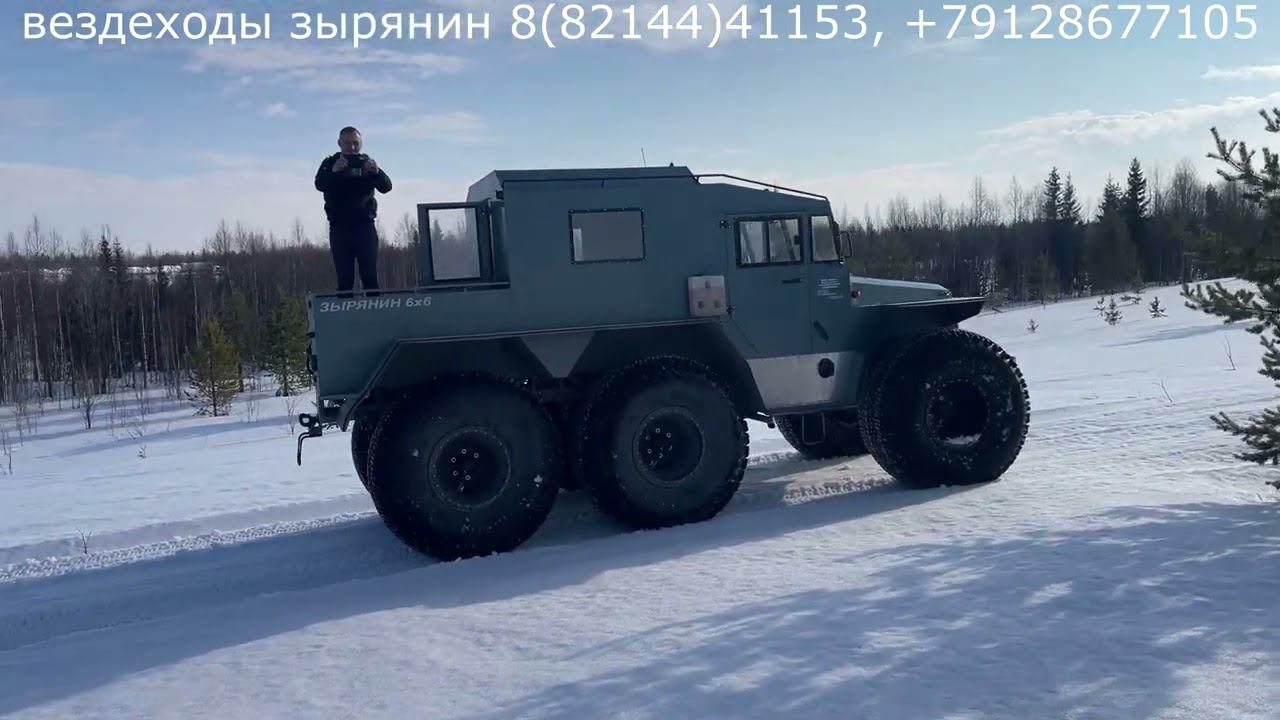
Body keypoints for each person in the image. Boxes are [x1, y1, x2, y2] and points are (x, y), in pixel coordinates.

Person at [314, 126, 392, 294]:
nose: (352, 147)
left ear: (361, 144)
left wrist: (376, 172)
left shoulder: (366, 163)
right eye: (347, 143)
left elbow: (386, 187)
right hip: (340, 228)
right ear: (339, 143)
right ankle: (345, 309)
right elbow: (320, 184)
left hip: (365, 226)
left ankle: (374, 308)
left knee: (370, 277)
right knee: (345, 279)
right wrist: (335, 172)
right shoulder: (330, 163)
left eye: (355, 143)